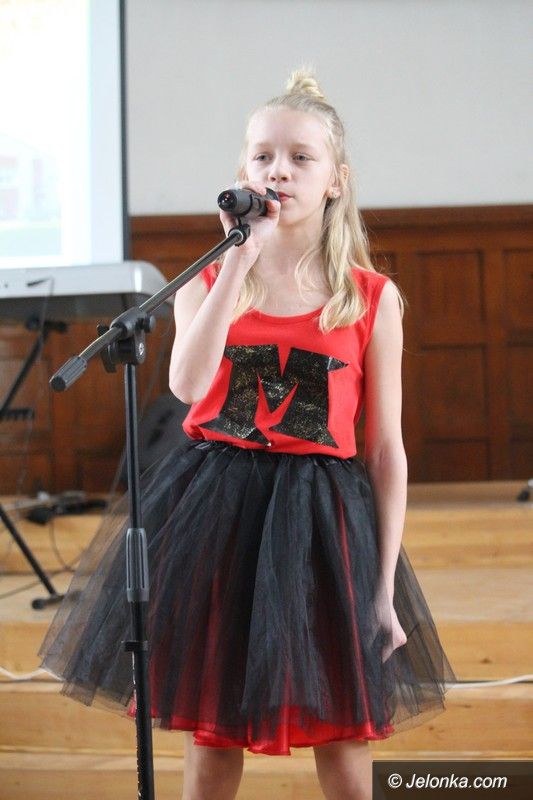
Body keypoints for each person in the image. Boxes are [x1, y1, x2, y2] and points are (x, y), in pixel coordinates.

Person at [39, 70, 455, 800]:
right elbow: (187, 385)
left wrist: (383, 586)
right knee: (212, 734)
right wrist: (239, 257)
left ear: (335, 180)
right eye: (263, 156)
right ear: (242, 172)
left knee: (344, 736)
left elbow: (385, 450)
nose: (278, 171)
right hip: (217, 511)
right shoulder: (207, 282)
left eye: (300, 157)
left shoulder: (369, 297)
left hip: (323, 520)